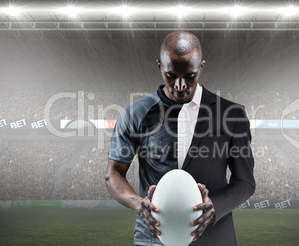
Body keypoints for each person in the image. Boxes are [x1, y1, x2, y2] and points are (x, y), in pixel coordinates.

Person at [105, 31, 255, 246]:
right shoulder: (134, 114)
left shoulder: (232, 114)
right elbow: (113, 174)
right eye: (171, 75)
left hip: (213, 238)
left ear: (201, 67)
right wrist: (139, 204)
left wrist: (215, 207)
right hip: (153, 238)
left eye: (190, 75)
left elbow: (245, 181)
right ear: (159, 67)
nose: (180, 85)